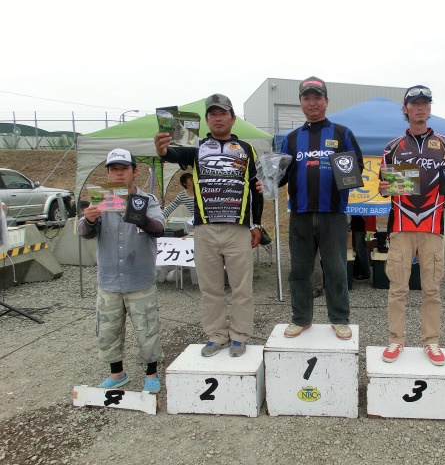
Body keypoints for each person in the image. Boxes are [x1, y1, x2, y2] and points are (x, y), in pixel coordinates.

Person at [154, 93, 262, 358]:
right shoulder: (198, 147)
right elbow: (172, 153)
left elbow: (257, 189)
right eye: (213, 114)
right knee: (210, 287)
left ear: (233, 119)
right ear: (206, 120)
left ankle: (239, 336)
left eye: (223, 113)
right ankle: (216, 335)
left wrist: (256, 224)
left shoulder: (247, 149)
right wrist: (162, 148)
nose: (218, 118)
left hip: (238, 228)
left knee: (241, 287)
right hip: (204, 229)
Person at [377, 85, 445, 365]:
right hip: (401, 226)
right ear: (406, 109)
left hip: (433, 227)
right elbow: (384, 188)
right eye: (415, 103)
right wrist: (386, 188)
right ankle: (395, 340)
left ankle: (431, 341)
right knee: (397, 288)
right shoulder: (392, 147)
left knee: (432, 288)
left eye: (425, 102)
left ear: (430, 108)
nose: (420, 107)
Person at [278, 76, 363, 340]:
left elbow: (356, 167)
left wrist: (347, 174)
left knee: (336, 268)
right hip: (300, 214)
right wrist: (266, 182)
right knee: (299, 270)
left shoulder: (342, 133)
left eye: (317, 97)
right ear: (301, 103)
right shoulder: (291, 138)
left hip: (333, 214)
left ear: (326, 101)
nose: (312, 102)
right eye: (307, 98)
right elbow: (278, 176)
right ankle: (300, 318)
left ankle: (339, 318)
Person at [77, 148, 165, 393]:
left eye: (123, 168)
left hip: (140, 279)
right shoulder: (99, 199)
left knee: (147, 329)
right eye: (113, 169)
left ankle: (151, 374)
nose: (118, 173)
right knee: (108, 329)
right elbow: (84, 232)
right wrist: (90, 218)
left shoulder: (147, 200)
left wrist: (138, 216)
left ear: (134, 172)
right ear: (107, 172)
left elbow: (159, 228)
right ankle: (117, 373)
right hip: (109, 280)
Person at [350, 215, 371, 281]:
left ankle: (366, 272)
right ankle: (357, 271)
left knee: (360, 248)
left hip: (359, 224)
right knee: (357, 249)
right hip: (355, 224)